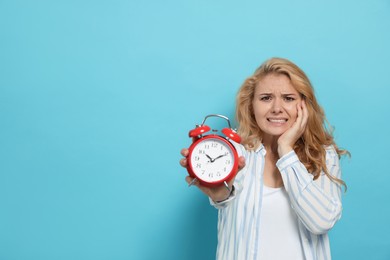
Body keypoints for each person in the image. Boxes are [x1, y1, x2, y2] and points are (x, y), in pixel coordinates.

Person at [179, 57, 348, 260]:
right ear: (251, 105)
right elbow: (223, 197)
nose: (277, 108)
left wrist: (285, 150)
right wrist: (220, 195)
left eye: (288, 98)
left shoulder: (323, 155)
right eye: (266, 98)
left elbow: (322, 222)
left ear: (303, 105)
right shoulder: (234, 153)